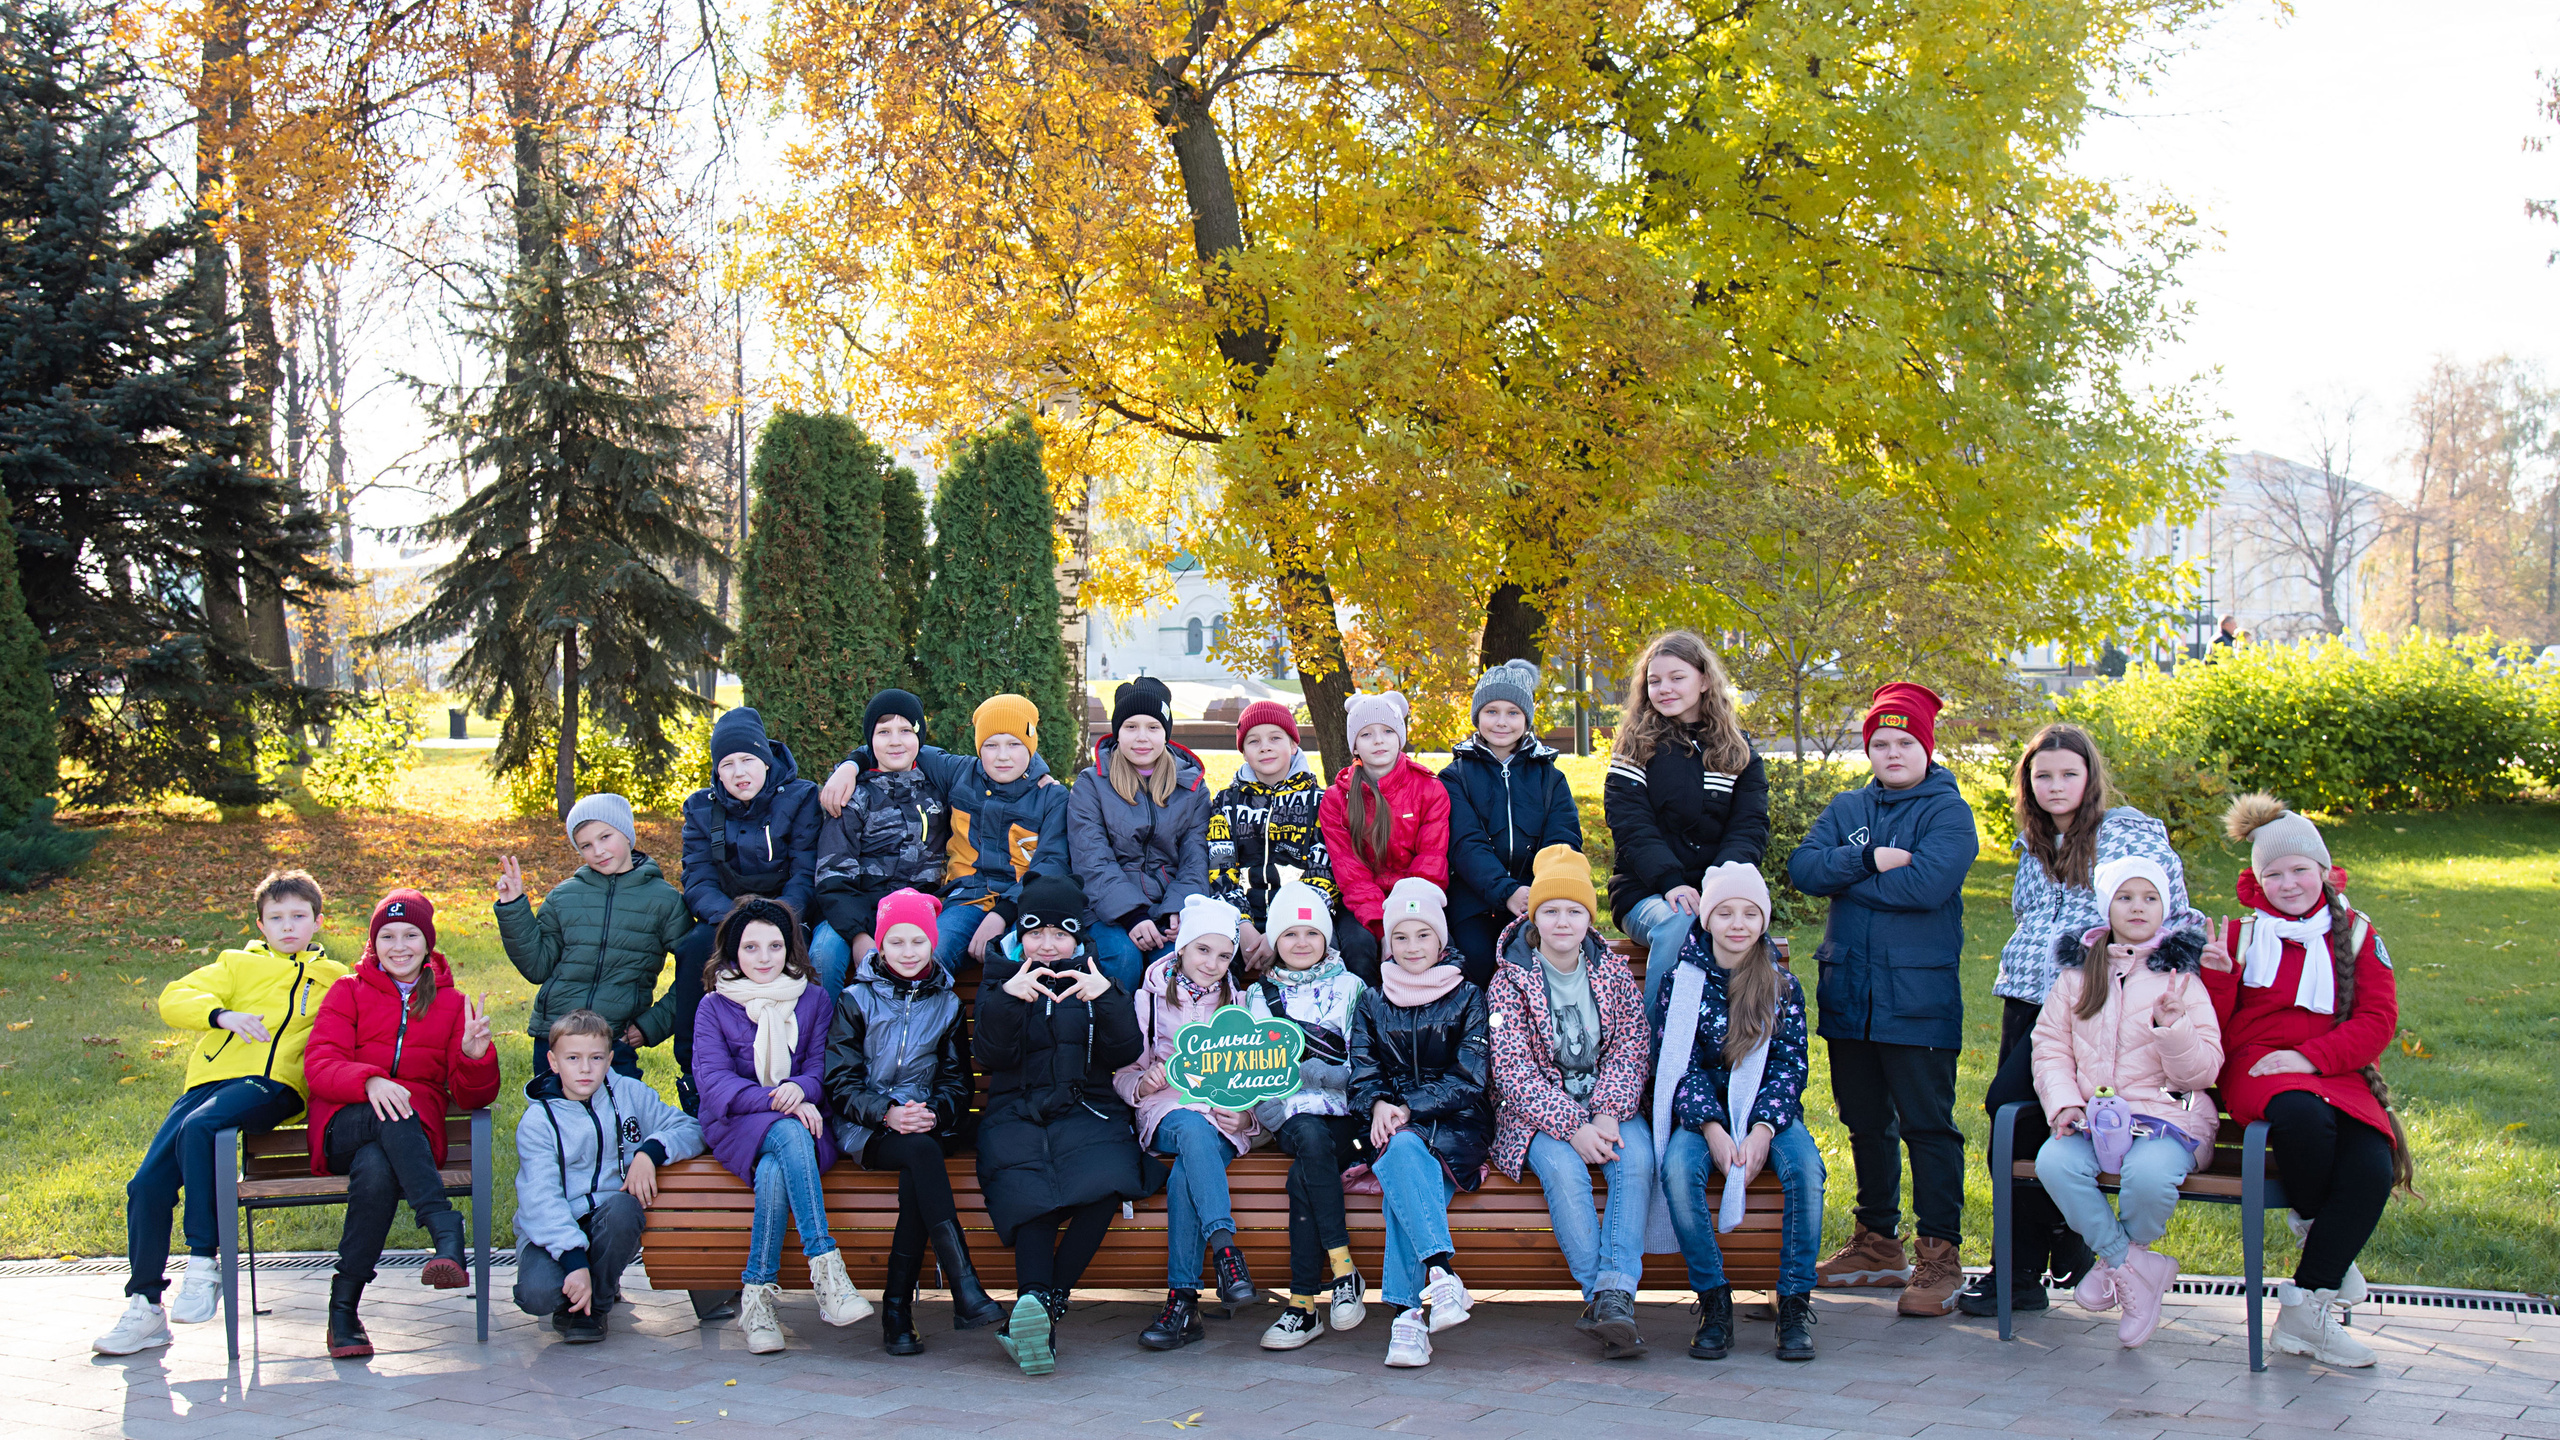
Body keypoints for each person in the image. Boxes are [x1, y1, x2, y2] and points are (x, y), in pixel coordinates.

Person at [1959, 723, 2188, 1317]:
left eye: (2068, 774)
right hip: (2026, 999)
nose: (2055, 786)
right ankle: (2036, 1260)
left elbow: (2165, 908)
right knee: (2019, 1122)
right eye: (2042, 776)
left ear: (2090, 778)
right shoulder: (2035, 842)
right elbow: (2030, 916)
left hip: (2089, 1004)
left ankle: (2041, 1256)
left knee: (2012, 1107)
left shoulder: (2123, 835)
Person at [95, 870, 350, 1357]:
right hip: (208, 1085)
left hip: (272, 1086)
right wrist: (221, 1016)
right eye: (277, 918)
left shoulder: (334, 977)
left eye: (299, 916)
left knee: (202, 1126)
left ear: (318, 921)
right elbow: (174, 998)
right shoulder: (236, 964)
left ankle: (203, 1262)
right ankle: (145, 1308)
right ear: (261, 925)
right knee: (145, 1186)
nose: (288, 926)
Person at [2199, 795, 2410, 1370]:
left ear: (2324, 870)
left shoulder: (2358, 933)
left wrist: (2311, 1058)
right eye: (2273, 873)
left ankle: (2305, 1315)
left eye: (2299, 870)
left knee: (2372, 1164)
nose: (2288, 883)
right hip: (2258, 1067)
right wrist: (2217, 980)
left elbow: (2377, 1020)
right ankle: (2324, 1238)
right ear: (2256, 879)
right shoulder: (2239, 935)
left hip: (2333, 1067)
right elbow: (2207, 1028)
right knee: (2300, 1115)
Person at [1787, 682, 1977, 1317]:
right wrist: (1872, 859)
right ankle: (1877, 1243)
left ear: (1926, 747)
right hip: (1850, 993)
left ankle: (1940, 1256)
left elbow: (1927, 886)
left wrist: (1847, 876)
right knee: (1864, 1121)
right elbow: (1804, 869)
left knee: (1928, 1126)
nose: (1892, 753)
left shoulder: (1948, 813)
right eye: (1881, 743)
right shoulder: (1849, 807)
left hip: (1917, 996)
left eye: (1905, 742)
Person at [972, 873, 1162, 1376]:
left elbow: (1124, 1053)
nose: (1048, 945)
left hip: (1086, 1108)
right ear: (1021, 934)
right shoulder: (1001, 977)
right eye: (1036, 933)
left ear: (1077, 937)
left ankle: (1039, 1309)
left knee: (1107, 1182)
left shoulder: (1096, 976)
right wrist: (1007, 999)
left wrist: (1107, 997)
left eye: (1060, 934)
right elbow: (989, 1057)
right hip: (1016, 1112)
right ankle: (1040, 1303)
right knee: (1029, 1189)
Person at [301, 891, 502, 1358]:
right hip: (343, 1127)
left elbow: (474, 1097)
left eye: (410, 935)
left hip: (411, 1143)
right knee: (389, 1112)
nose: (399, 946)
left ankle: (343, 1311)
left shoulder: (452, 1004)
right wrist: (370, 1080)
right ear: (373, 943)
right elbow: (319, 1064)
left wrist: (474, 1056)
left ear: (427, 942)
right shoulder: (348, 991)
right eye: (387, 936)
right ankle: (443, 1227)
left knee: (376, 1168)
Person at [2031, 856, 2221, 1350]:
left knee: (2149, 1175)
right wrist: (2064, 1103)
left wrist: (2173, 1028)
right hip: (2095, 1121)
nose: (2138, 907)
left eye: (2150, 898)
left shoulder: (2182, 978)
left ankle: (2118, 1262)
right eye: (2125, 897)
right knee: (2054, 1162)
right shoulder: (2077, 976)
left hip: (2167, 1119)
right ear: (2106, 906)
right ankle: (2131, 1264)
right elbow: (2050, 1046)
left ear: (2165, 907)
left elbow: (2203, 1073)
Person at [1648, 862, 1823, 1363]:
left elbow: (1789, 1066)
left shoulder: (1781, 986)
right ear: (1707, 919)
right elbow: (1677, 1067)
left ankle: (1794, 1301)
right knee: (1678, 1169)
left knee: (1806, 1170)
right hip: (1702, 1114)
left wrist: (1763, 1128)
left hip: (1769, 1112)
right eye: (1725, 912)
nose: (1738, 924)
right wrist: (1712, 1127)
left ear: (1763, 920)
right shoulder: (1680, 982)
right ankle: (1714, 1300)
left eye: (1750, 913)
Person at [1484, 846, 1651, 1358]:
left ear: (1589, 919)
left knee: (1635, 1159)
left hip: (1607, 1105)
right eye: (1551, 910)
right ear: (1533, 916)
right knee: (1563, 1171)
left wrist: (1606, 1112)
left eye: (1575, 910)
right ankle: (1603, 1298)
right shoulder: (1510, 979)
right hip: (1535, 1115)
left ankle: (1613, 1296)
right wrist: (1573, 1126)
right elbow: (1512, 1071)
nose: (1562, 921)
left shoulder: (1612, 972)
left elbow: (1631, 1047)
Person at [822, 887, 1005, 1354]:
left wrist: (932, 1112)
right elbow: (839, 1082)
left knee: (919, 1170)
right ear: (881, 945)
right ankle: (961, 1286)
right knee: (922, 1156)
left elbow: (957, 1082)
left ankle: (898, 1313)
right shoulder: (856, 999)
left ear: (932, 943)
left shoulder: (946, 1003)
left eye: (918, 941)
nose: (908, 952)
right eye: (897, 942)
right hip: (867, 1126)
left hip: (925, 1123)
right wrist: (887, 1113)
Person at [696, 898, 869, 1354]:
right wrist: (784, 1100)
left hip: (806, 1123)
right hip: (736, 1124)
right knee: (788, 1132)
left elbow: (820, 1069)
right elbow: (715, 1086)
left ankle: (757, 1302)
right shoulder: (714, 1006)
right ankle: (828, 1273)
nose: (764, 957)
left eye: (775, 946)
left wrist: (801, 1089)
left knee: (777, 1165)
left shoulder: (813, 998)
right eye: (751, 947)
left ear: (790, 948)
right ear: (733, 952)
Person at [1349, 877, 1491, 1369]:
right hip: (1392, 1126)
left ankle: (1407, 1317)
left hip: (1457, 1125)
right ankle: (1441, 1276)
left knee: (1402, 1185)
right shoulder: (1372, 1001)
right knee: (1404, 1152)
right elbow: (1362, 1073)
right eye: (1401, 936)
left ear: (1441, 939)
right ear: (1388, 942)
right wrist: (1377, 1104)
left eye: (1423, 935)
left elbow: (1471, 1077)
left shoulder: (1468, 995)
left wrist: (1406, 1107)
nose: (1412, 947)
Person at [1119, 893, 1265, 1349]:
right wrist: (1143, 1082)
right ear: (1181, 947)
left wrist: (1245, 1117)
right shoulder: (1148, 1000)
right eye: (1203, 949)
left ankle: (1182, 1304)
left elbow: (1258, 1078)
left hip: (1220, 1118)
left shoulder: (1241, 1003)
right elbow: (1122, 1075)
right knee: (1189, 1128)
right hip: (1166, 1110)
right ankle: (1226, 1251)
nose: (1212, 963)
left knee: (1187, 1170)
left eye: (1224, 955)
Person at [1602, 631, 1771, 1013]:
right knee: (1681, 923)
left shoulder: (1738, 752)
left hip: (1718, 891)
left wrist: (1720, 886)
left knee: (1738, 928)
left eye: (1677, 678)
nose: (1664, 688)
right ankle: (1654, 1042)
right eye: (1655, 681)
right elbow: (1630, 825)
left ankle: (1741, 1040)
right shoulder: (1634, 748)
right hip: (1647, 893)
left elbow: (1749, 827)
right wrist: (1671, 882)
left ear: (1704, 680)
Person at [513, 1009, 705, 1344]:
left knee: (624, 1208)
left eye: (596, 1058)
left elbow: (691, 1128)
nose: (585, 1068)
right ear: (553, 1062)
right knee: (537, 1294)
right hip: (554, 1229)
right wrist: (574, 1261)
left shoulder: (629, 1093)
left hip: (608, 1221)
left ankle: (592, 1309)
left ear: (610, 1060)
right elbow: (540, 1200)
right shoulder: (537, 1121)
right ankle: (582, 1283)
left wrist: (649, 1153)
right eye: (573, 1058)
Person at [1241, 878, 1371, 1350]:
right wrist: (1276, 1114)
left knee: (1304, 1176)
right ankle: (1342, 1269)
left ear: (1326, 937)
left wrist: (1310, 1071)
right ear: (1275, 940)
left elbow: (1363, 1065)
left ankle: (1301, 1306)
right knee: (1309, 1140)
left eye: (1312, 932)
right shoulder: (1257, 997)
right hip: (1290, 1116)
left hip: (1344, 1115)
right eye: (1290, 934)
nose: (1301, 942)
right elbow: (1253, 1071)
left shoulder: (1352, 987)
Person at [493, 792, 693, 1092]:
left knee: (616, 1119)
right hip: (555, 1039)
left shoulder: (665, 901)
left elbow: (696, 972)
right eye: (586, 845)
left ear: (626, 833)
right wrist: (513, 908)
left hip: (614, 1042)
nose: (598, 851)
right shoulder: (563, 897)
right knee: (556, 1118)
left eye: (605, 837)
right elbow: (536, 967)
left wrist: (652, 1025)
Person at [1070, 678, 1216, 994]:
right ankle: (1116, 1026)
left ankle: (1169, 1028)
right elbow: (1091, 858)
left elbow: (1196, 857)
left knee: (1175, 962)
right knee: (1123, 957)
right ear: (1117, 732)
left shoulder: (1191, 787)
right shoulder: (1091, 784)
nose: (1141, 737)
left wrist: (1179, 908)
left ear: (1166, 733)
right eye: (1131, 727)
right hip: (1108, 909)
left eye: (1153, 727)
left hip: (1168, 906)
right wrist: (1131, 915)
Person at [1442, 660, 1583, 987]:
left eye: (1513, 712)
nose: (1502, 722)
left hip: (1538, 897)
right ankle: (1476, 1020)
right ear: (1477, 716)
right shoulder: (1456, 776)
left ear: (1526, 718)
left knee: (1540, 957)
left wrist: (1540, 891)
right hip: (1475, 899)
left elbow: (1563, 840)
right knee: (1474, 959)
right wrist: (1506, 891)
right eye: (1491, 711)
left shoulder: (1550, 777)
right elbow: (1465, 844)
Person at [920, 694, 1072, 977]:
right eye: (991, 745)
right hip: (966, 899)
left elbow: (1052, 863)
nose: (1003, 755)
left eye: (1014, 744)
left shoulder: (1051, 796)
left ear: (1031, 745)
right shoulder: (959, 773)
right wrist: (851, 765)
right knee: (930, 958)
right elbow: (901, 747)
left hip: (1025, 905)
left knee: (1024, 965)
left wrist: (1002, 913)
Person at [810, 689, 949, 983]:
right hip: (860, 910)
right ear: (870, 740)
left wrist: (1039, 776)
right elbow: (833, 876)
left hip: (920, 910)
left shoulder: (938, 790)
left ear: (920, 736)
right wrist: (858, 934)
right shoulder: (853, 795)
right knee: (825, 954)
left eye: (905, 730)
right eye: (883, 732)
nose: (895, 741)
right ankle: (827, 1015)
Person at [1319, 691, 1450, 988]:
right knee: (1359, 949)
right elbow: (1350, 872)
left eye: (1388, 731)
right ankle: (1367, 1014)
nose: (1378, 740)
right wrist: (1383, 928)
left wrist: (1403, 922)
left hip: (1418, 897)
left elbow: (1430, 862)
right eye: (1366, 734)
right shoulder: (1337, 799)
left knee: (1437, 947)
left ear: (1400, 737)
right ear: (1355, 745)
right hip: (1363, 903)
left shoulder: (1430, 789)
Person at [1205, 699, 1341, 979]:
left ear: (1293, 745)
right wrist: (1242, 925)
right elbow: (1220, 869)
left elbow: (1324, 873)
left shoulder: (1321, 801)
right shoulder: (1226, 802)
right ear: (1244, 752)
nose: (1264, 747)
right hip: (1240, 920)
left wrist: (1283, 929)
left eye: (1275, 738)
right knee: (1211, 958)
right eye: (1253, 741)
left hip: (1303, 920)